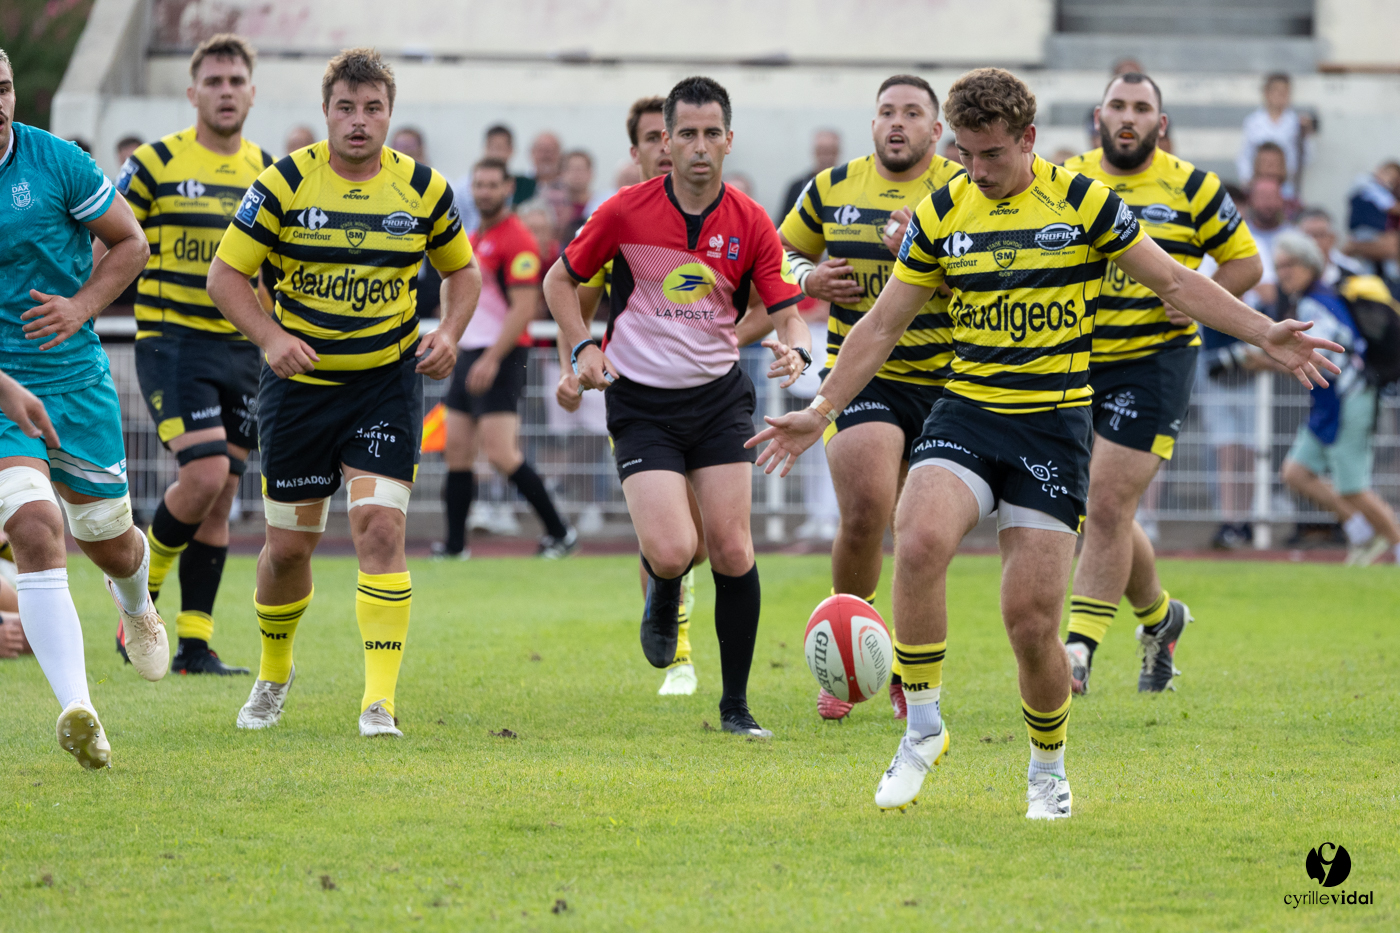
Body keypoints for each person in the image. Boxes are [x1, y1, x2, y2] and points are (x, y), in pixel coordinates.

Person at [749, 67, 1339, 820]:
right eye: (964, 153)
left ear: (1027, 140)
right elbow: (883, 323)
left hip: (1052, 430)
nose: (976, 170)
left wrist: (1268, 333)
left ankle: (1047, 766)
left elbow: (1174, 283)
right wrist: (823, 404)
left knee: (1030, 625)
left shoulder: (1084, 200)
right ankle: (923, 730)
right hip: (966, 413)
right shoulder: (942, 210)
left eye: (991, 154)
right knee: (919, 534)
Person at [208, 47, 481, 736]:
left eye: (373, 108)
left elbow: (465, 274)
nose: (359, 122)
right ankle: (273, 672)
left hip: (384, 385)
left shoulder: (424, 189)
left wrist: (448, 331)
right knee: (289, 549)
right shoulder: (283, 183)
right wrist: (271, 339)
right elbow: (225, 277)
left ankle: (379, 700)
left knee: (380, 526)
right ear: (325, 111)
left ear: (390, 112)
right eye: (345, 108)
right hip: (297, 388)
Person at [545, 76, 811, 736]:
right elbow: (560, 280)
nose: (698, 146)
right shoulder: (624, 211)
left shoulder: (749, 221)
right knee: (671, 549)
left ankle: (736, 706)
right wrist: (581, 349)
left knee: (731, 546)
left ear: (728, 139)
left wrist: (797, 349)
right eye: (684, 133)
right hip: (642, 403)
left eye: (710, 133)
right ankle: (664, 587)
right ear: (666, 140)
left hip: (719, 399)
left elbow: (785, 310)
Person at [1059, 72, 1261, 694]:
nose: (1129, 116)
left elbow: (1247, 262)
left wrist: (1206, 298)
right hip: (1076, 357)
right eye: (1118, 105)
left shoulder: (1194, 186)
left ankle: (1078, 650)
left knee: (1107, 503)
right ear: (1098, 116)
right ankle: (1160, 617)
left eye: (1141, 107)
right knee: (1096, 511)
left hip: (1156, 361)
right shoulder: (1066, 178)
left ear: (1160, 123)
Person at [777, 74, 964, 722]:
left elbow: (991, 280)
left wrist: (928, 252)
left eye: (913, 113)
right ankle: (846, 651)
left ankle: (906, 665)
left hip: (947, 380)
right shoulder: (832, 188)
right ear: (874, 121)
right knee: (864, 509)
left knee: (917, 533)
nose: (897, 123)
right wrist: (809, 275)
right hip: (864, 377)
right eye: (887, 111)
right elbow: (776, 256)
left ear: (937, 131)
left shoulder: (962, 191)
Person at [0, 48, 162, 770]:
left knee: (109, 538)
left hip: (74, 380)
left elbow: (131, 243)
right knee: (35, 527)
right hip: (3, 387)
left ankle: (136, 599)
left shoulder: (57, 160)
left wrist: (82, 305)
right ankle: (79, 707)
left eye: (2, 87)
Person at [115, 33, 275, 675]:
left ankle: (193, 646)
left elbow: (274, 269)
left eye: (236, 81)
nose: (226, 91)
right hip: (173, 344)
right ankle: (136, 601)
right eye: (214, 81)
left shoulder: (269, 173)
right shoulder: (154, 163)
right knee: (204, 475)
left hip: (243, 350)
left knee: (223, 491)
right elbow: (110, 237)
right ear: (192, 93)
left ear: (252, 93)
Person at [438, 157, 575, 560]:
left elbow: (523, 308)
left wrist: (492, 359)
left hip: (500, 355)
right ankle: (454, 546)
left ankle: (560, 532)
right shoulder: (476, 235)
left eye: (491, 185)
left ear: (508, 188)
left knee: (501, 454)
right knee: (457, 451)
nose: (484, 192)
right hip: (470, 354)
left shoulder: (517, 239)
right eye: (478, 184)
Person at [1274, 232, 1400, 566]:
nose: (1282, 272)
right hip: (1330, 403)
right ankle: (1362, 533)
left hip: (1350, 399)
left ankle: (1396, 544)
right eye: (1278, 266)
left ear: (1307, 264)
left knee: (1353, 487)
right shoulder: (1312, 298)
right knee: (1296, 472)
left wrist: (1264, 357)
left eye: (1288, 264)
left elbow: (1325, 359)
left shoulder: (1315, 303)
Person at [1237, 73, 1315, 197]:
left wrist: (1305, 135)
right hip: (1259, 183)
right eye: (1276, 91)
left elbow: (1306, 157)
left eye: (1285, 92)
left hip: (1286, 184)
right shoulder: (1253, 121)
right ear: (1266, 93)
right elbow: (1245, 154)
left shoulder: (1296, 122)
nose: (1281, 96)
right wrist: (1246, 179)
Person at [1343, 161, 1400, 282]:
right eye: (1387, 173)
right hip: (1364, 231)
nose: (1388, 179)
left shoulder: (1383, 191)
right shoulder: (1365, 182)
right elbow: (1390, 206)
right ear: (1378, 170)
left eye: (1393, 179)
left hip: (1377, 233)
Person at [778, 129, 840, 222]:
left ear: (838, 152)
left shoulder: (851, 185)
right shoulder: (797, 188)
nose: (826, 157)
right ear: (814, 152)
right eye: (822, 151)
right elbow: (782, 225)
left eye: (830, 151)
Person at [1297, 207, 1367, 287]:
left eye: (1319, 235)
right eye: (1308, 236)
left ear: (1332, 238)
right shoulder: (1288, 270)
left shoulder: (1351, 270)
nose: (1314, 241)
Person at [557, 149, 598, 241]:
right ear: (562, 173)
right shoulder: (555, 208)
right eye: (572, 169)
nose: (577, 174)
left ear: (590, 173)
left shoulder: (601, 205)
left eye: (581, 169)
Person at [513, 131, 562, 205]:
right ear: (532, 153)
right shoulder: (518, 185)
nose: (546, 156)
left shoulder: (570, 186)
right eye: (541, 150)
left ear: (560, 154)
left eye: (551, 151)